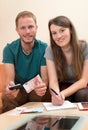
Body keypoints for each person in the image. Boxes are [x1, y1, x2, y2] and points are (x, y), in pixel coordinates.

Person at [1, 11, 51, 113]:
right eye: (23, 28)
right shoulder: (9, 49)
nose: (27, 31)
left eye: (31, 27)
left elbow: (45, 79)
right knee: (6, 97)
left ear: (36, 28)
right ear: (17, 30)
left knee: (37, 95)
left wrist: (42, 87)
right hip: (19, 90)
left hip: (36, 89)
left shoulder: (44, 48)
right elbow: (9, 80)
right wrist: (10, 88)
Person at [44, 15, 88, 105]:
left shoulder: (84, 47)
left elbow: (83, 81)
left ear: (70, 30)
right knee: (64, 98)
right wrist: (56, 95)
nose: (58, 36)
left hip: (83, 85)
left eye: (62, 30)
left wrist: (62, 94)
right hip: (64, 85)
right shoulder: (50, 50)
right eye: (54, 33)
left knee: (82, 94)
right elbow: (53, 81)